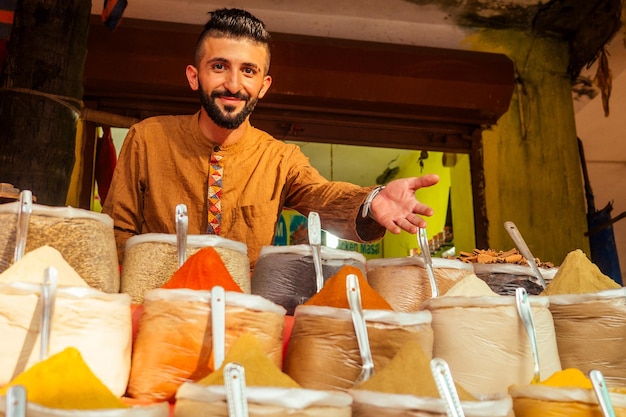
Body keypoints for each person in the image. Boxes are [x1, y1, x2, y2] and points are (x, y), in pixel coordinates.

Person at [102, 8, 440, 268]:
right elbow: (118, 234)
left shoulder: (281, 159)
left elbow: (321, 195)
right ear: (195, 76)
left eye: (248, 71)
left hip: (246, 318)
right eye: (219, 66)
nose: (233, 85)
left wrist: (372, 200)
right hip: (158, 311)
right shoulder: (147, 138)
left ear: (263, 85)